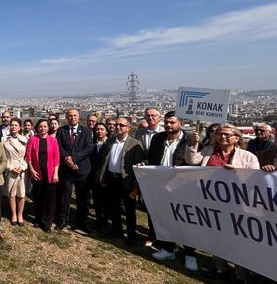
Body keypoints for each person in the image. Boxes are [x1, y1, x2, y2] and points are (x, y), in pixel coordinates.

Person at [185, 123, 259, 281]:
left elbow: (255, 182)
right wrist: (193, 143)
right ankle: (221, 269)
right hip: (212, 203)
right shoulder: (208, 151)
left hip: (238, 207)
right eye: (219, 134)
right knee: (216, 238)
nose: (223, 137)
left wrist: (237, 174)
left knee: (239, 242)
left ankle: (241, 275)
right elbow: (191, 160)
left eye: (227, 134)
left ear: (236, 138)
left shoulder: (248, 157)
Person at [145, 112, 198, 272]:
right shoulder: (157, 138)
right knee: (164, 218)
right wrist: (144, 164)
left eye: (172, 122)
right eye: (167, 122)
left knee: (185, 221)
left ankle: (190, 254)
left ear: (180, 123)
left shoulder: (190, 139)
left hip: (181, 186)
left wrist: (195, 144)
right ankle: (168, 249)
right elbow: (152, 159)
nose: (169, 125)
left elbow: (195, 162)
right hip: (160, 186)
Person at [98, 117, 144, 246]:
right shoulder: (111, 141)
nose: (118, 127)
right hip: (112, 179)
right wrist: (103, 177)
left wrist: (136, 187)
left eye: (121, 125)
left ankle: (131, 235)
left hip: (126, 181)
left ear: (128, 128)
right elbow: (105, 161)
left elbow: (137, 167)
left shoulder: (135, 144)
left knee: (129, 210)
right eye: (117, 125)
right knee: (114, 207)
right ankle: (116, 230)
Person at [55, 108, 94, 233]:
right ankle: (63, 220)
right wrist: (67, 159)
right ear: (66, 117)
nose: (72, 118)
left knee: (82, 197)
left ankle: (81, 222)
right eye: (70, 116)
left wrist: (74, 159)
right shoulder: (61, 130)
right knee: (65, 196)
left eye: (75, 115)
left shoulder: (86, 131)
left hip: (82, 169)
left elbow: (88, 148)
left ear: (78, 117)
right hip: (66, 169)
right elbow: (59, 147)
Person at [26, 119, 60, 232]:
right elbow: (29, 156)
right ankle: (38, 219)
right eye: (40, 126)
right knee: (38, 197)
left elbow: (56, 157)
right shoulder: (33, 139)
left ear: (48, 128)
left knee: (49, 198)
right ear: (37, 128)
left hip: (50, 173)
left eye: (45, 126)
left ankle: (47, 222)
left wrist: (56, 173)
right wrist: (31, 170)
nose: (43, 128)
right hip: (37, 173)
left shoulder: (53, 140)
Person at [3, 118, 28, 226]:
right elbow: (3, 157)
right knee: (12, 193)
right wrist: (9, 167)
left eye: (16, 125)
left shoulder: (25, 139)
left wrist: (23, 166)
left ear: (20, 127)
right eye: (12, 125)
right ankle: (13, 214)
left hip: (22, 168)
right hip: (10, 168)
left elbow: (28, 156)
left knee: (21, 193)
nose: (13, 127)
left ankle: (20, 214)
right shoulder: (4, 139)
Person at [89, 122, 109, 231]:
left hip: (106, 178)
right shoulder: (92, 144)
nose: (99, 131)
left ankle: (105, 222)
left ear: (106, 131)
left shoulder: (110, 144)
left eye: (102, 129)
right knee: (97, 201)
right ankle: (99, 221)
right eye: (97, 129)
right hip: (94, 177)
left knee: (106, 202)